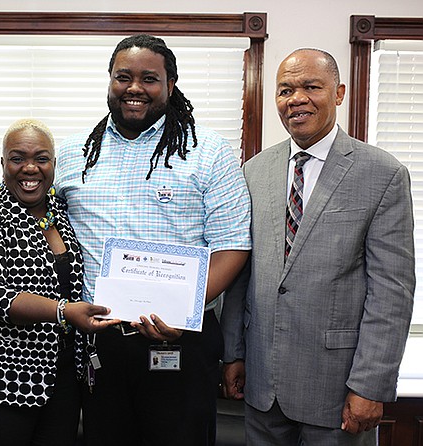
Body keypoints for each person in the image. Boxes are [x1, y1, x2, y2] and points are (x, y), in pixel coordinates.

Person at [55, 34, 252, 446]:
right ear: (109, 80)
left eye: (150, 78)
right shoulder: (73, 153)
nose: (134, 89)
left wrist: (184, 311)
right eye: (123, 77)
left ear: (170, 85)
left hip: (181, 340)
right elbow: (50, 229)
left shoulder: (209, 152)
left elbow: (232, 247)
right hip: (101, 343)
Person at [221, 48, 415, 446]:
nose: (297, 99)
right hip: (263, 387)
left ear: (339, 92)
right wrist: (234, 353)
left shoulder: (383, 174)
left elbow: (392, 292)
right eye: (285, 90)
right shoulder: (254, 170)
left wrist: (371, 384)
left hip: (338, 391)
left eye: (312, 87)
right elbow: (243, 272)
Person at [0, 118, 118, 446]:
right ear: (2, 164)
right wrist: (65, 312)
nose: (30, 168)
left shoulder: (63, 215)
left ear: (53, 165)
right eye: (18, 158)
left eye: (41, 159)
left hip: (64, 379)